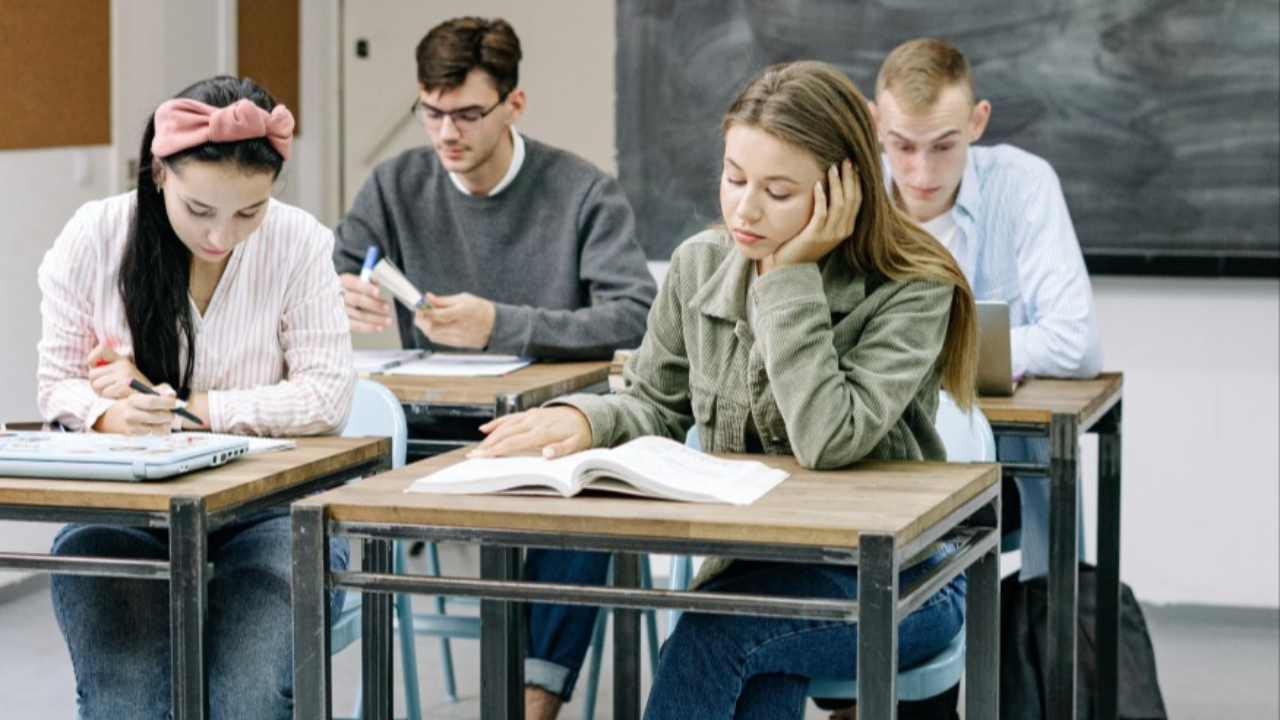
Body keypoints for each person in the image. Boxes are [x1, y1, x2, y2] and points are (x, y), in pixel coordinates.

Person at [471, 60, 980, 720]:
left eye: (777, 190)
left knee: (719, 634)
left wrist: (789, 279)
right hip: (757, 571)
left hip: (905, 580)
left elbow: (830, 439)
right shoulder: (699, 264)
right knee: (745, 643)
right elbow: (654, 401)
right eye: (734, 178)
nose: (744, 208)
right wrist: (585, 420)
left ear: (842, 189)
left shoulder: (912, 284)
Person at [331, 17, 657, 719]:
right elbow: (330, 265)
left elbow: (636, 313)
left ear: (515, 104)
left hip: (548, 427)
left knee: (581, 485)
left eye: (468, 114)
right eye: (431, 112)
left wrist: (500, 325)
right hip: (430, 428)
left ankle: (533, 699)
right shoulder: (395, 185)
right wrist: (337, 292)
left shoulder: (580, 190)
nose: (447, 133)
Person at [37, 75, 355, 719]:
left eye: (248, 213)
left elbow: (326, 396)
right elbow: (56, 386)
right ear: (159, 172)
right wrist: (109, 413)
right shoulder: (95, 236)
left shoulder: (298, 242)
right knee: (124, 698)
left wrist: (191, 408)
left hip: (271, 510)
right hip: (123, 511)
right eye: (200, 210)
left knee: (248, 697)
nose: (222, 237)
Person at [870, 37, 1103, 585]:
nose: (921, 171)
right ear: (876, 123)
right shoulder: (855, 192)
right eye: (902, 146)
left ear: (978, 122)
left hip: (996, 454)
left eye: (944, 146)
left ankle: (1041, 639)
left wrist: (936, 352)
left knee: (1035, 446)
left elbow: (1076, 342)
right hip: (879, 442)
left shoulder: (1024, 185)